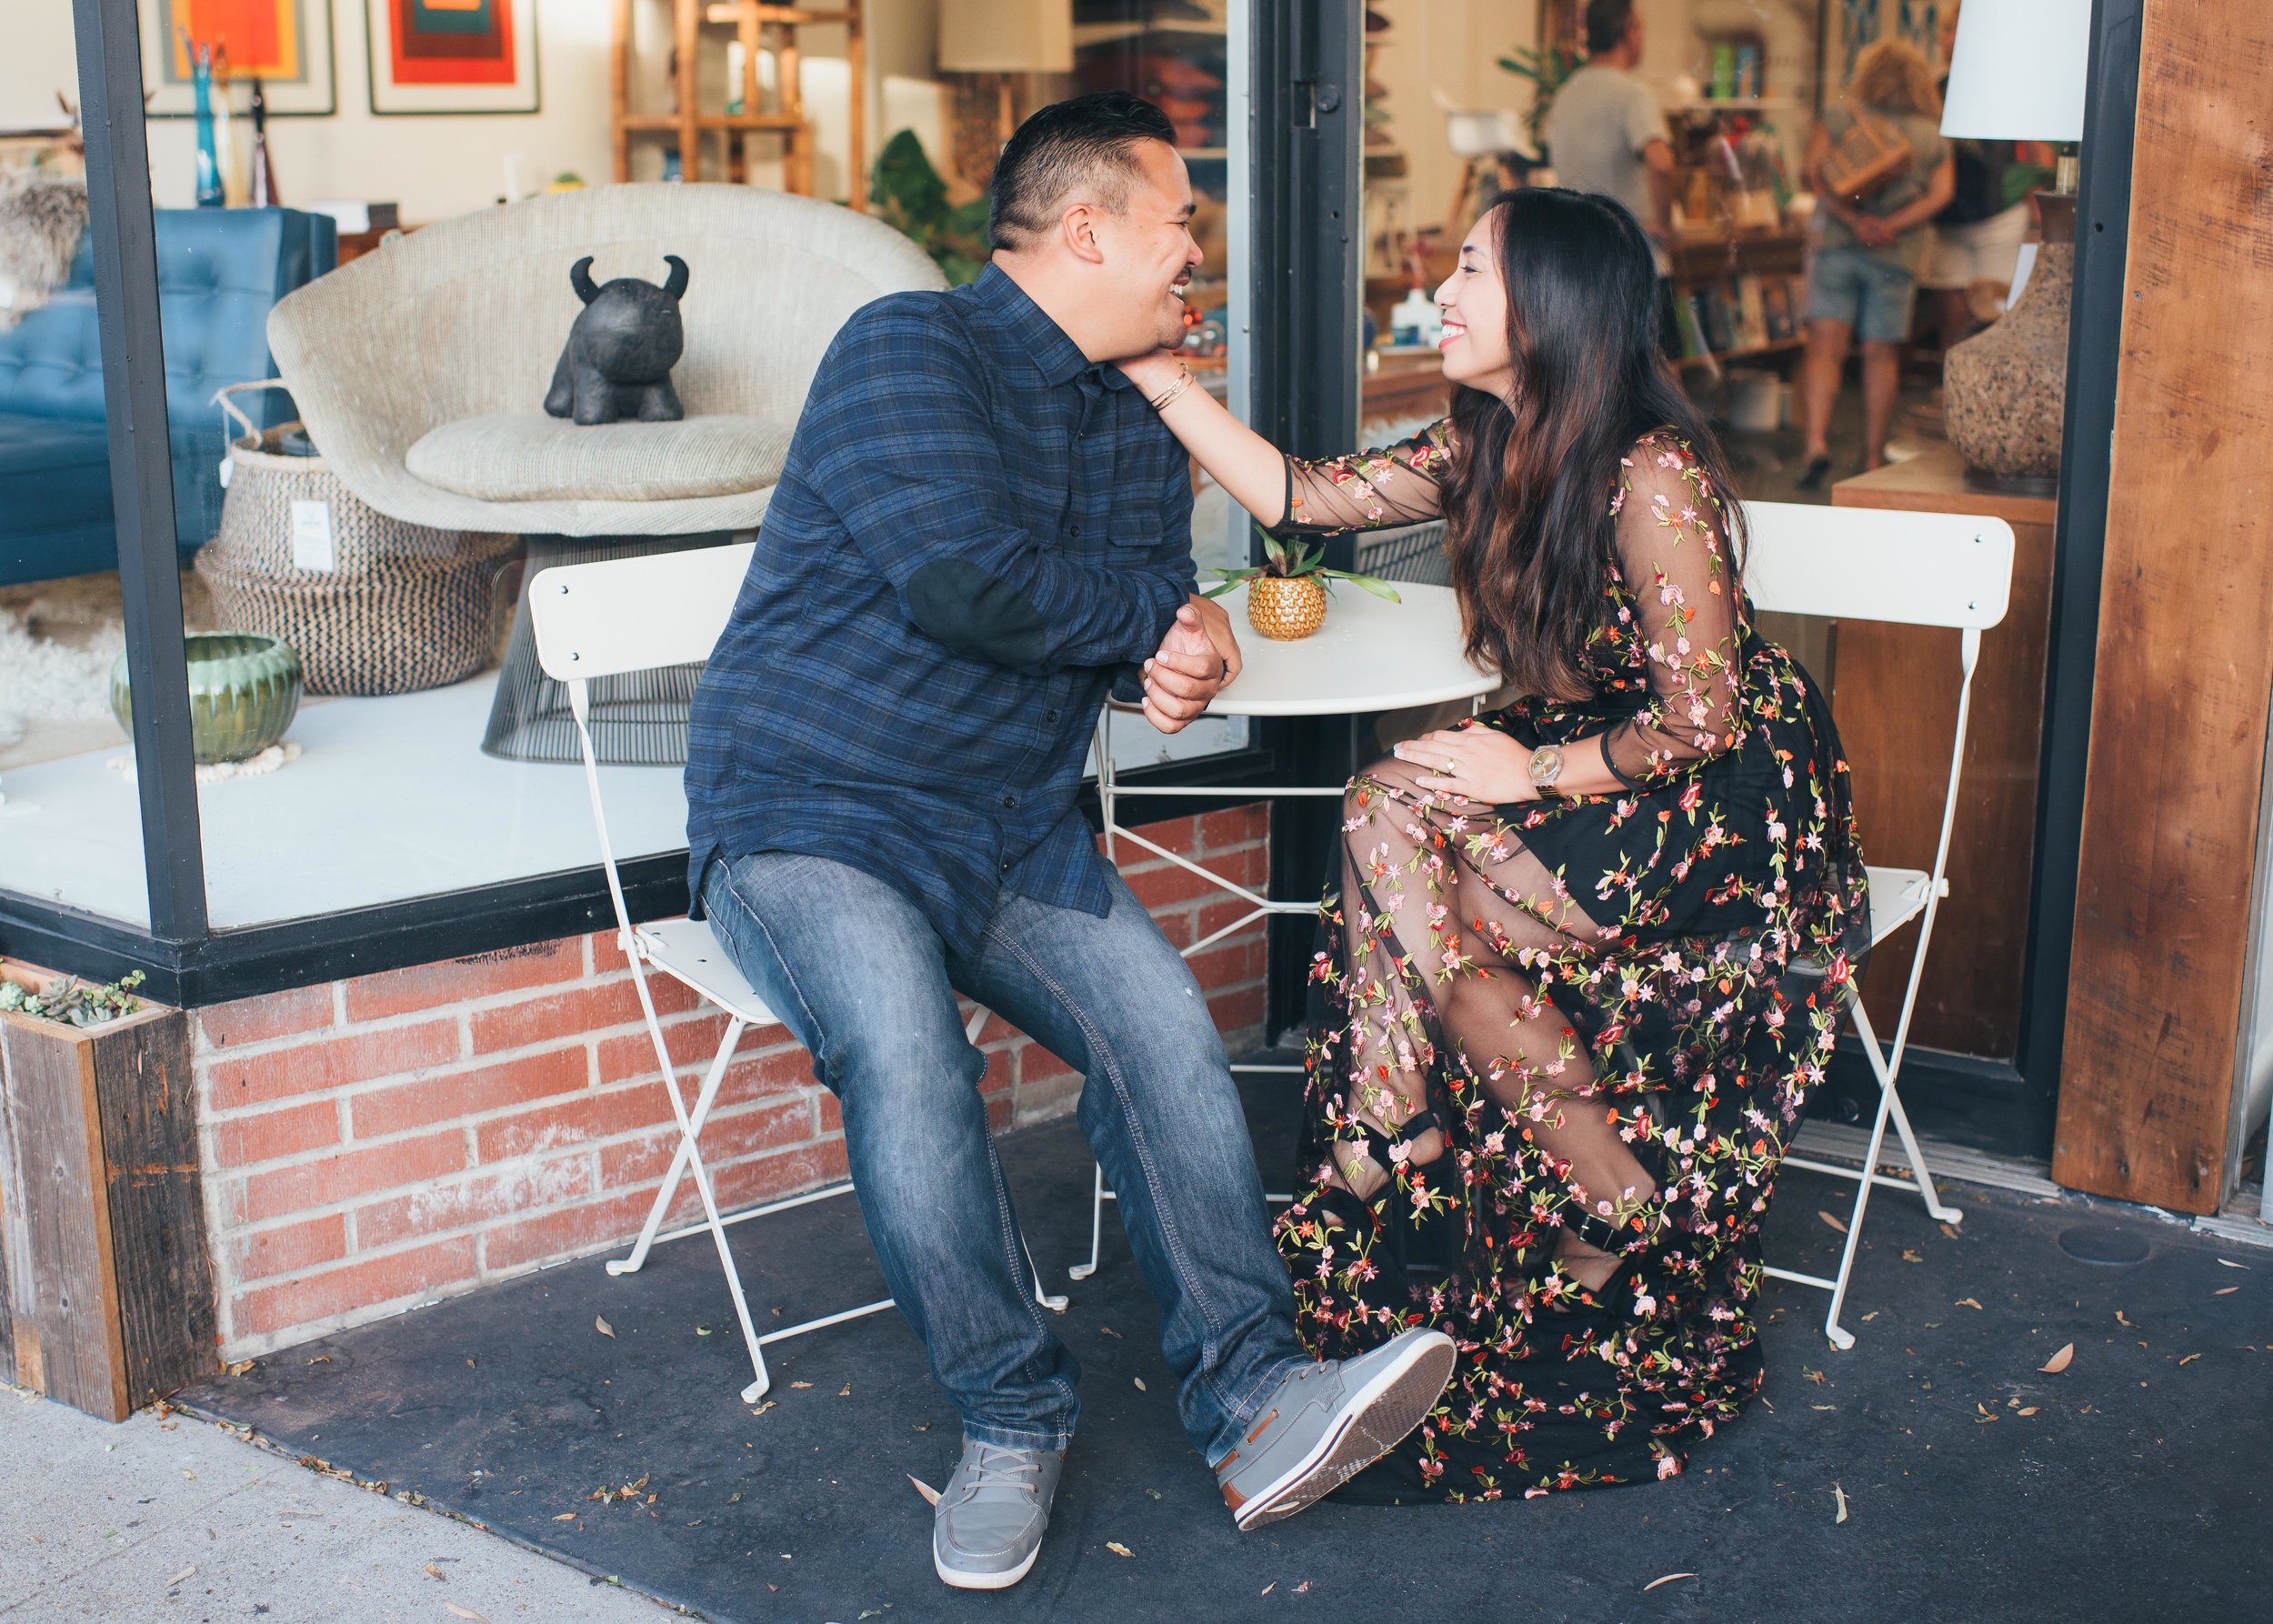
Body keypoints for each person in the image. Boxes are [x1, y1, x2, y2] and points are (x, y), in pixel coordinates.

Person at [681, 92, 1454, 1591]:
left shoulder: (1131, 415)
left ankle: (1255, 1402)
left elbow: (1129, 618)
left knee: (1166, 1033)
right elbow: (967, 581)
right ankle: (1008, 1415)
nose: (1197, 264)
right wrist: (1159, 624)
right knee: (906, 1050)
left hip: (1004, 829)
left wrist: (1177, 654)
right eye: (1183, 227)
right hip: (806, 810)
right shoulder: (908, 347)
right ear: (1089, 227)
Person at [1117, 186, 1871, 1499]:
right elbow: (1303, 491)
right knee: (1386, 819)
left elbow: (1703, 720)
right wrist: (1162, 382)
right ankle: (1605, 1188)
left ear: (1555, 307)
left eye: (1471, 269)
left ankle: (1398, 1136)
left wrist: (1529, 768)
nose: (1444, 290)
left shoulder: (1651, 469)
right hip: (1590, 761)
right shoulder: (1490, 438)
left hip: (1723, 799)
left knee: (1395, 833)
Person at [1795, 37, 1956, 489]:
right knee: (1880, 353)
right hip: (1895, 254)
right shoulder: (1930, 132)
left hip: (1837, 245)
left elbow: (1813, 172)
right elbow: (1941, 193)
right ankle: (1870, 458)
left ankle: (1815, 444)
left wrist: (1851, 219)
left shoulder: (1842, 115)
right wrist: (1891, 225)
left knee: (1824, 346)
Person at [1547, 0, 1677, 341]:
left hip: (1583, 264)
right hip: (1638, 259)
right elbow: (1661, 162)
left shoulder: (1565, 95)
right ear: (1629, 33)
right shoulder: (1632, 93)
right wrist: (1664, 224)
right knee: (1660, 374)